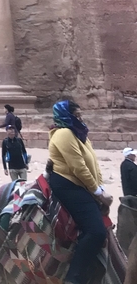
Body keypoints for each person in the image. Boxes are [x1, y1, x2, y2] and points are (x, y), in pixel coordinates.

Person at [47, 99, 112, 284]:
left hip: (83, 185)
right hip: (68, 184)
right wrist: (97, 193)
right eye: (76, 115)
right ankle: (73, 277)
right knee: (96, 232)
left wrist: (100, 187)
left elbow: (93, 162)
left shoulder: (80, 134)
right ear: (65, 117)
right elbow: (78, 167)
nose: (80, 118)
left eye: (80, 115)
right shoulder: (64, 133)